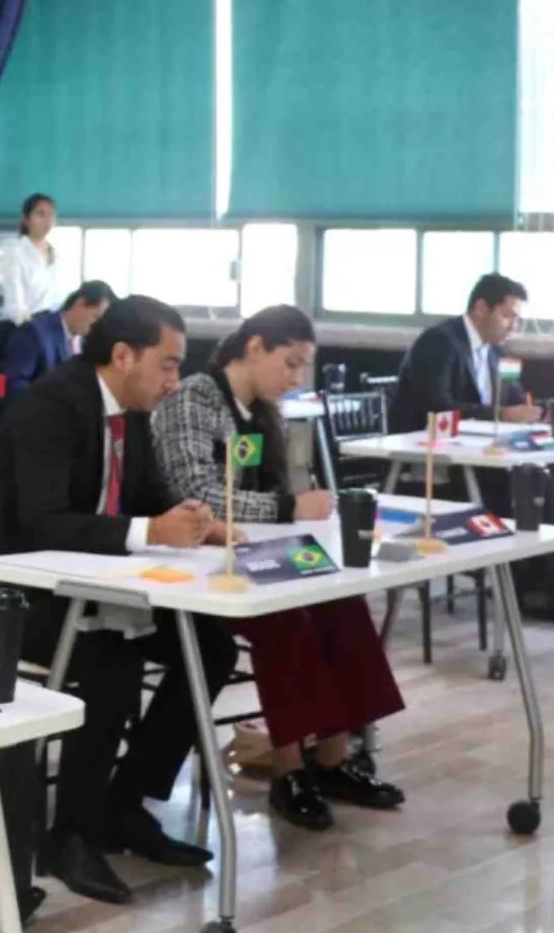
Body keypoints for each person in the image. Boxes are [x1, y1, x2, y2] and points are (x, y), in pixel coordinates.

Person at [0, 295, 239, 906]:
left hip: (86, 586)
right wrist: (152, 531)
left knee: (211, 646)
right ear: (123, 355)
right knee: (110, 659)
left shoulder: (133, 411)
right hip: (4, 592)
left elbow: (148, 495)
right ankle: (68, 835)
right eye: (168, 364)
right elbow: (43, 521)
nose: (174, 380)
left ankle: (121, 804)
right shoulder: (50, 405)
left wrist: (195, 519)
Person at [152, 305, 405, 830]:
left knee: (340, 599)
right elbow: (196, 495)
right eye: (290, 363)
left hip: (258, 550)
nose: (295, 379)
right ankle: (288, 770)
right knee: (284, 616)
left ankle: (335, 759)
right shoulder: (193, 400)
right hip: (199, 562)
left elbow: (277, 496)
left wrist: (301, 508)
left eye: (302, 368)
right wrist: (290, 509)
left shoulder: (267, 411)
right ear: (255, 348)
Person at [390, 273, 538, 434]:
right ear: (481, 309)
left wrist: (539, 411)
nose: (514, 327)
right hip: (423, 441)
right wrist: (500, 415)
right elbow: (438, 407)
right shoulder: (439, 341)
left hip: (477, 442)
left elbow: (516, 399)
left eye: (517, 320)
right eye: (507, 316)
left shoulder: (499, 352)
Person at [3, 280, 115, 399]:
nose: (97, 326)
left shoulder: (86, 341)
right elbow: (13, 384)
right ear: (80, 303)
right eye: (96, 317)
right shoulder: (35, 332)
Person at [0, 192, 61, 324]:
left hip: (47, 322)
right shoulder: (13, 249)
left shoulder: (53, 252)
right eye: (41, 214)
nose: (47, 221)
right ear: (26, 219)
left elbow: (53, 297)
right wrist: (28, 325)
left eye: (51, 215)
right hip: (22, 324)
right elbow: (15, 301)